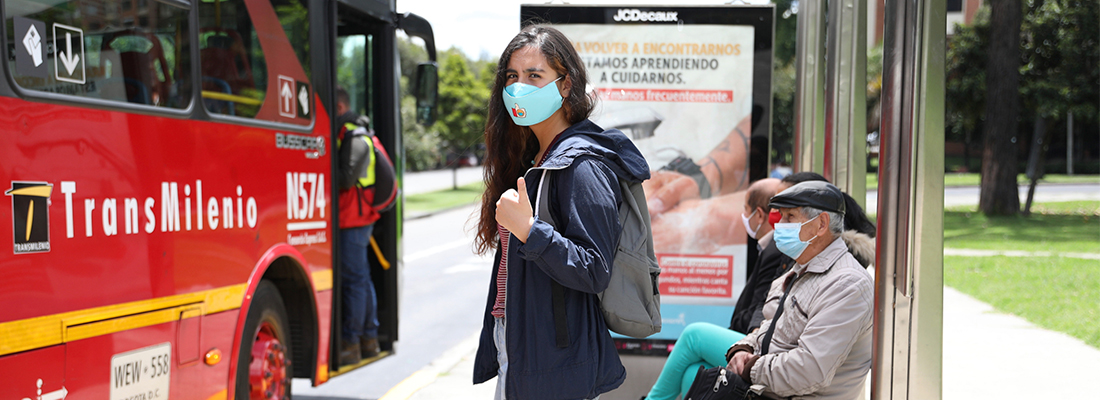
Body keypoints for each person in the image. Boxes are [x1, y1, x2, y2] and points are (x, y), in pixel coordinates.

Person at [471, 25, 648, 400]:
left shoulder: (581, 166)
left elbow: (594, 269)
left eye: (535, 76)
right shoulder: (533, 159)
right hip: (520, 342)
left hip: (553, 358)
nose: (519, 87)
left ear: (565, 85)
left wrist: (530, 230)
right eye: (512, 77)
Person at [725, 181, 874, 399]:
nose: (779, 225)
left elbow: (810, 369)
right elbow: (771, 327)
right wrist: (743, 349)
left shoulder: (847, 284)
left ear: (822, 224)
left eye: (790, 217)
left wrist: (750, 368)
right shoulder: (803, 268)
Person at [639, 178, 779, 400]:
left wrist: (747, 341)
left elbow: (761, 312)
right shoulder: (770, 248)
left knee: (694, 335)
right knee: (692, 375)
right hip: (756, 342)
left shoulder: (777, 251)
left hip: (762, 348)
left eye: (789, 215)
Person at [334, 87, 381, 365]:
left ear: (339, 108)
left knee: (355, 281)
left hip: (353, 219)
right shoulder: (356, 132)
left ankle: (353, 341)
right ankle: (368, 339)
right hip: (356, 218)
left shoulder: (352, 135)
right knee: (360, 279)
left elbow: (345, 179)